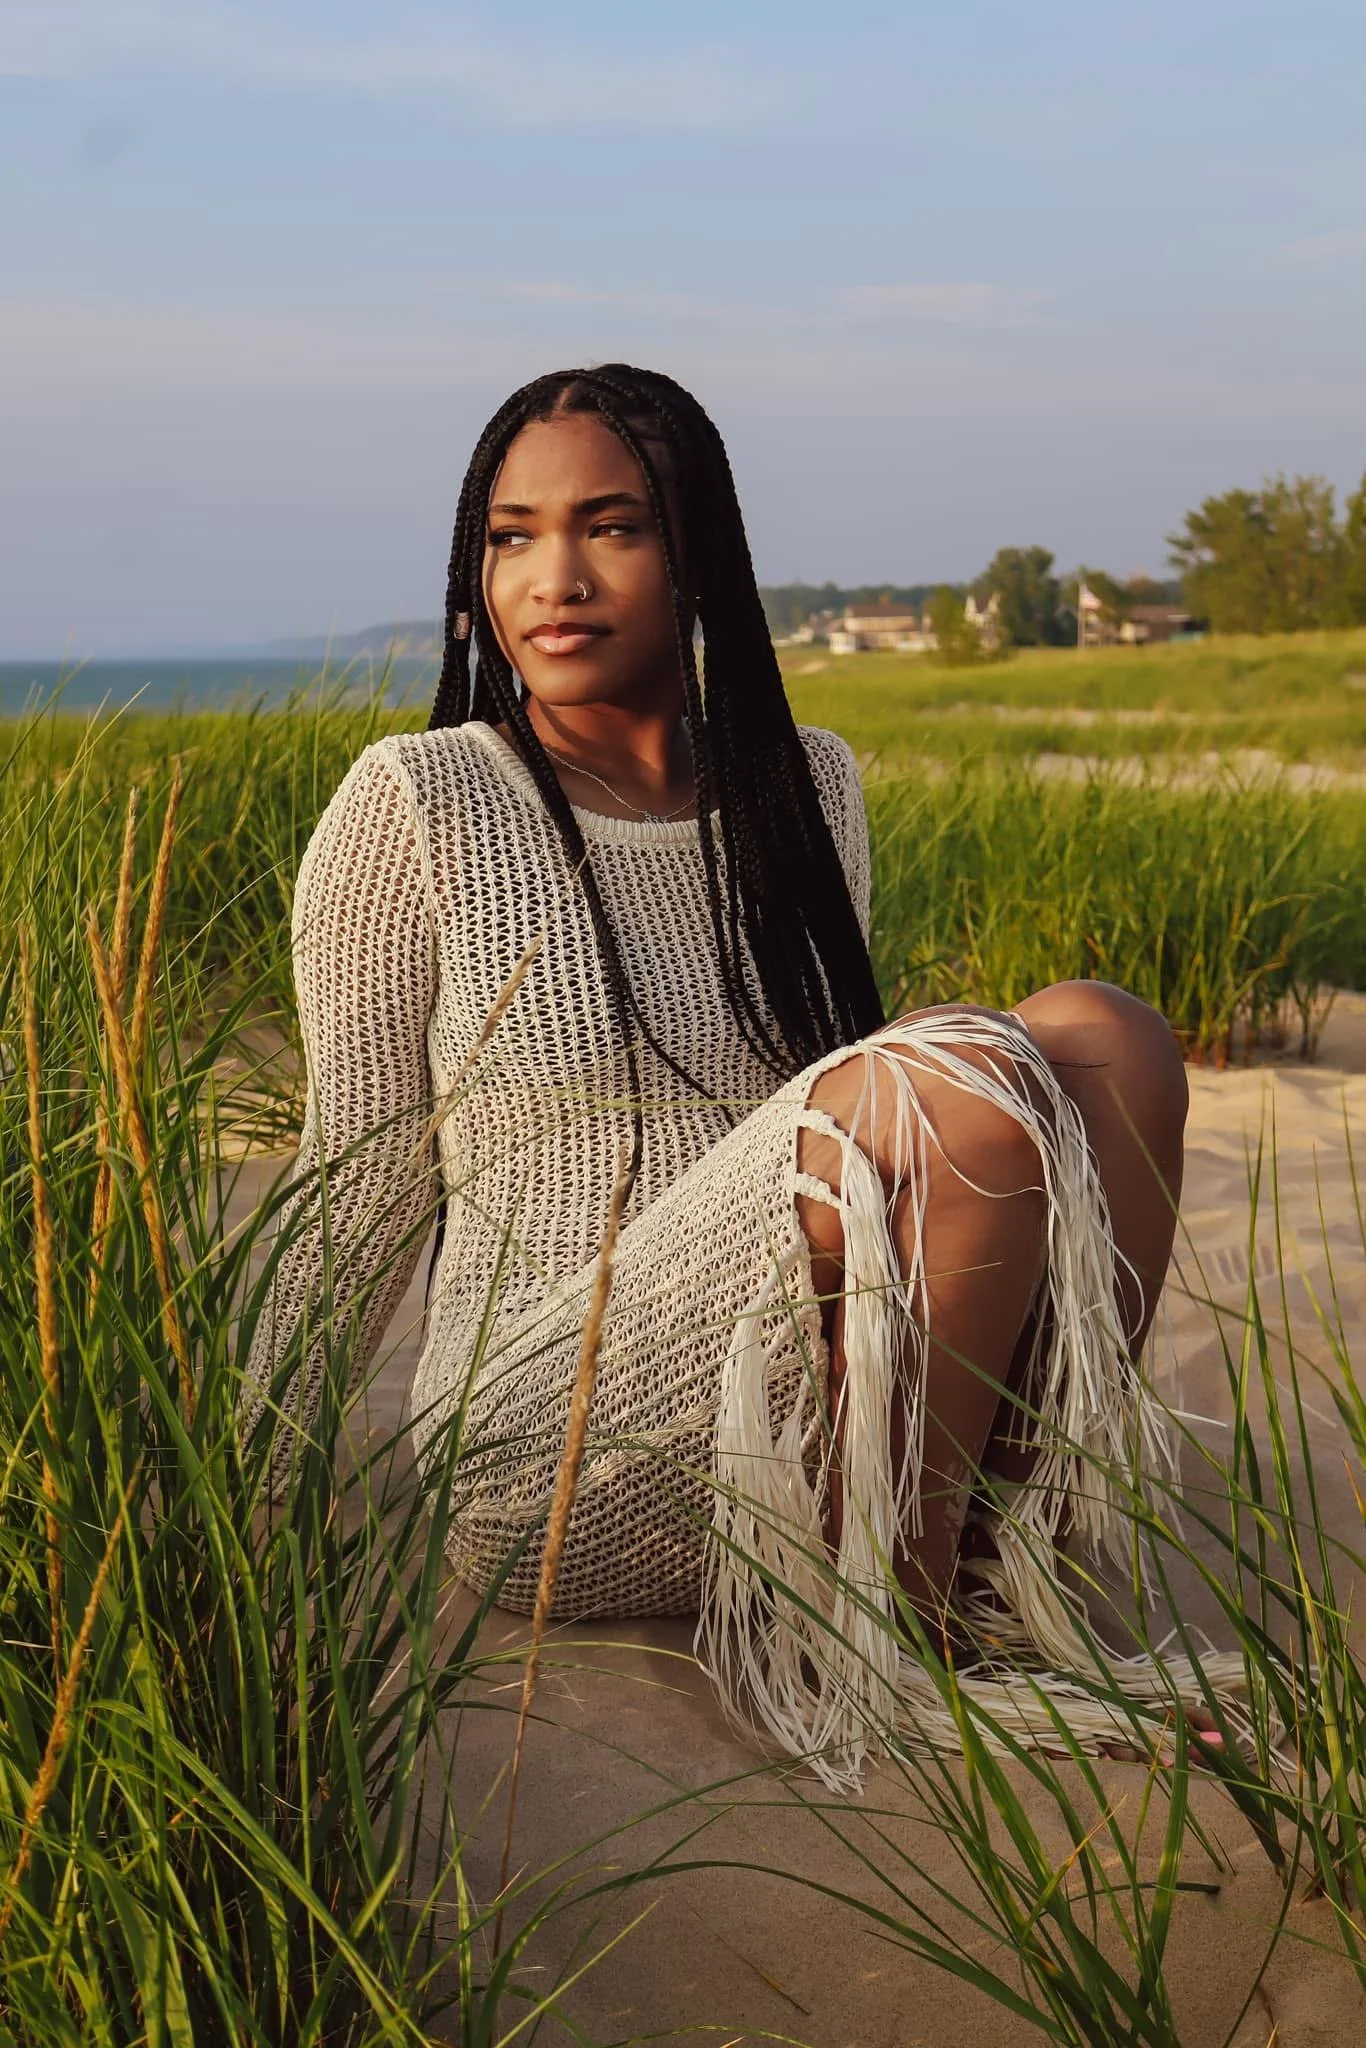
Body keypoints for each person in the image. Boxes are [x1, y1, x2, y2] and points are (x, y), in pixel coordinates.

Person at [239, 364, 1239, 1788]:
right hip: (554, 1435)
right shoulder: (419, 798)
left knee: (1106, 1033)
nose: (554, 578)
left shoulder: (804, 785)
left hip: (797, 1399)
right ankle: (884, 1642)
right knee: (944, 1074)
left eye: (611, 527)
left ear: (696, 553)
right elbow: (360, 1182)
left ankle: (980, 1555)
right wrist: (223, 1491)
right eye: (511, 536)